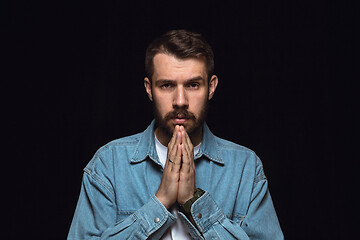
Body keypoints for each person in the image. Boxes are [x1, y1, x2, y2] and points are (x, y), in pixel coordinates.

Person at [68, 29, 284, 239]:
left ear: (211, 87)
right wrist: (161, 201)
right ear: (149, 89)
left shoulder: (245, 168)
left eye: (192, 85)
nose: (180, 100)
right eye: (167, 85)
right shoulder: (109, 164)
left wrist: (193, 202)